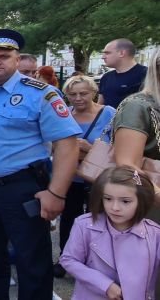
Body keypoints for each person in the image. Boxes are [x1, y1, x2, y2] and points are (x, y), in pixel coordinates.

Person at [0, 29, 81, 300]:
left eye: (4, 56)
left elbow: (67, 145)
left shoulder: (41, 94)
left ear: (16, 59)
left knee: (31, 258)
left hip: (22, 188)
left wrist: (56, 193)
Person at [60, 166, 159, 300]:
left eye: (125, 201)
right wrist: (105, 285)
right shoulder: (85, 225)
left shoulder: (154, 234)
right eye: (108, 199)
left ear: (142, 200)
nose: (115, 207)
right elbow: (68, 259)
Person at [54, 75, 115, 278]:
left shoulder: (110, 114)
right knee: (68, 220)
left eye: (83, 93)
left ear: (93, 92)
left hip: (99, 178)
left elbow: (120, 146)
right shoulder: (64, 114)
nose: (78, 98)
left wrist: (89, 148)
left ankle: (97, 264)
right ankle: (66, 258)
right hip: (70, 177)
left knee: (99, 221)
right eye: (72, 94)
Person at [99, 38, 147, 108]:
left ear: (121, 53)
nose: (103, 57)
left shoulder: (147, 75)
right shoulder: (106, 77)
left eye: (107, 53)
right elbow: (100, 106)